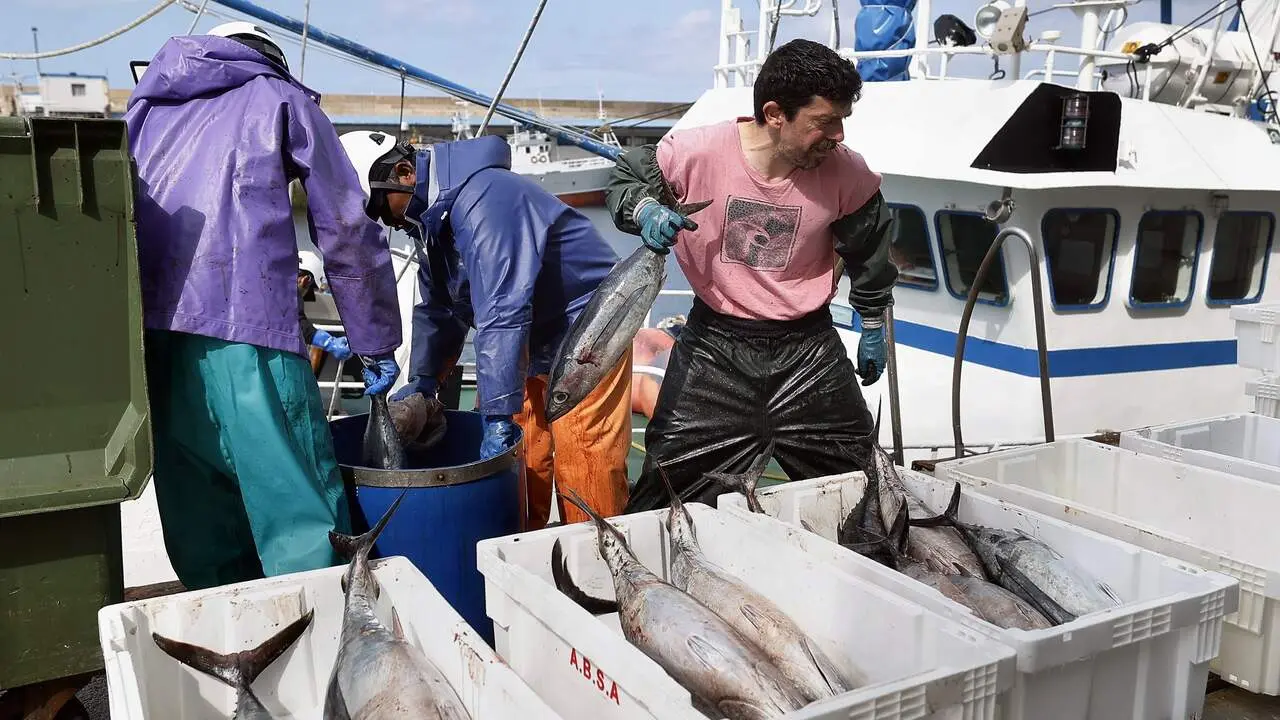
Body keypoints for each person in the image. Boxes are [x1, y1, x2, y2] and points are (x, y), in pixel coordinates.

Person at [124, 22, 402, 590]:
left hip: (154, 345)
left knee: (205, 535)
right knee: (302, 529)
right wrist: (375, 341)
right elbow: (346, 227)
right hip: (251, 335)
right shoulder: (281, 97)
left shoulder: (145, 111)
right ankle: (322, 663)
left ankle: (232, 664)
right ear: (270, 59)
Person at [606, 38, 896, 512]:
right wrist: (644, 210)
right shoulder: (693, 153)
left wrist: (872, 325)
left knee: (863, 486)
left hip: (808, 351)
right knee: (669, 491)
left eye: (843, 121)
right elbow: (626, 182)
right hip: (714, 346)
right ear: (775, 113)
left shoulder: (848, 176)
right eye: (825, 121)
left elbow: (871, 252)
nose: (838, 135)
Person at [339, 130, 631, 528]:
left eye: (378, 208)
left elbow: (502, 310)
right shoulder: (431, 222)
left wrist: (496, 415)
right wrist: (424, 381)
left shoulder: (487, 198)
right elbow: (442, 309)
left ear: (404, 172)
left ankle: (600, 570)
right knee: (522, 466)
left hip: (589, 327)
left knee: (584, 463)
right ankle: (522, 561)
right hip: (529, 336)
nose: (384, 221)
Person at [298, 251, 353, 363]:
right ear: (306, 280)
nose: (305, 295)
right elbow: (294, 322)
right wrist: (328, 342)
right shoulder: (288, 294)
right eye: (309, 289)